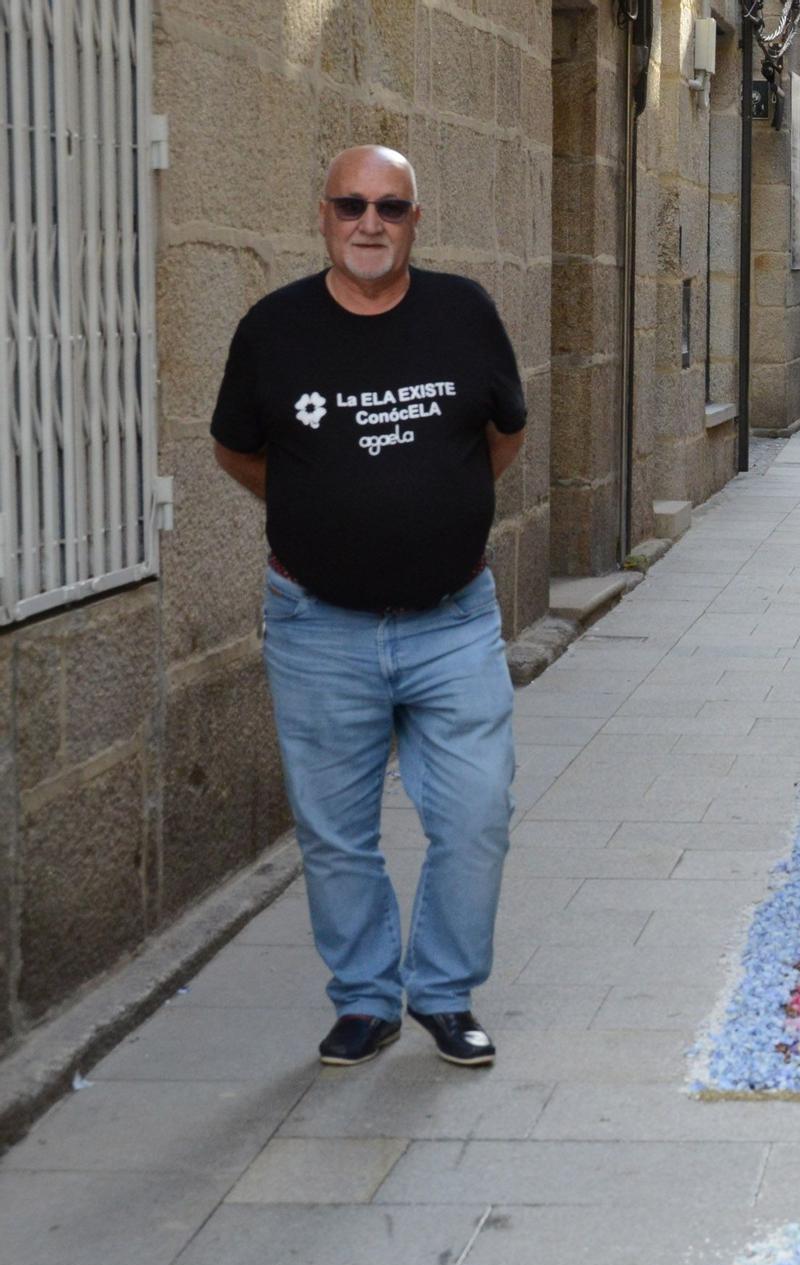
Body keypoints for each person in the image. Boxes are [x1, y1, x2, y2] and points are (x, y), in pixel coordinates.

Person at [210, 145, 525, 1069]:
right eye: (352, 205)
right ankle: (363, 999)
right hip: (316, 624)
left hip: (453, 619)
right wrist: (324, 507)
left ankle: (441, 991)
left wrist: (430, 512)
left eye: (391, 207)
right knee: (336, 831)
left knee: (475, 814)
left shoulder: (464, 313)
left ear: (416, 220)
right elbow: (239, 453)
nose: (370, 223)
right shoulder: (273, 328)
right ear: (324, 216)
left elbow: (501, 438)